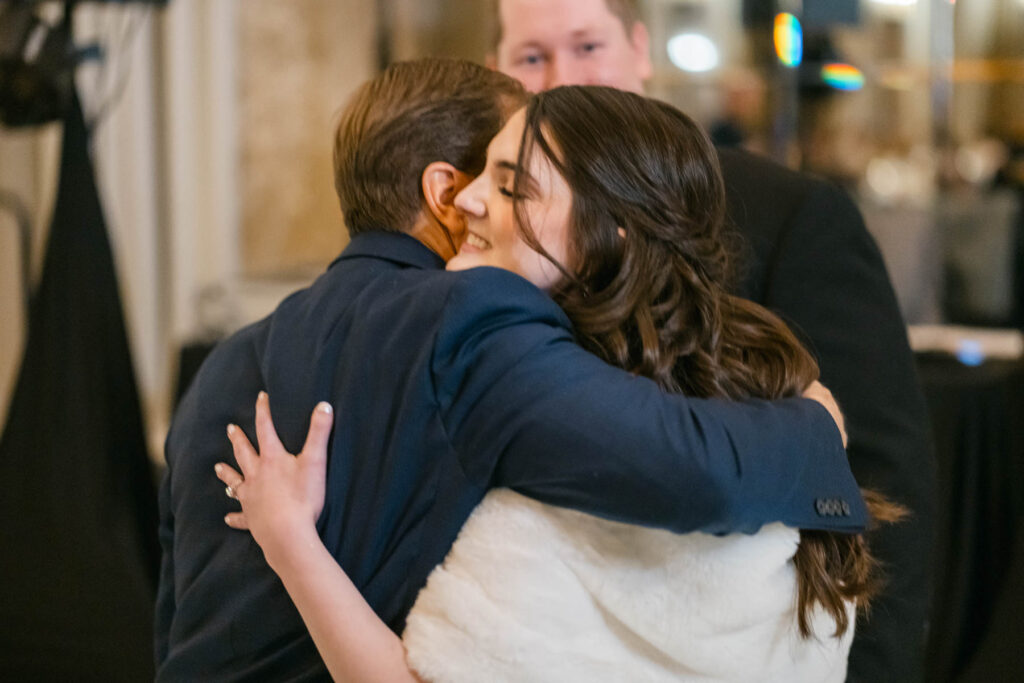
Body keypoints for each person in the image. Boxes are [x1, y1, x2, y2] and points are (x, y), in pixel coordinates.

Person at [155, 59, 860, 681]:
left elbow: (178, 614)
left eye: (512, 181)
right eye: (490, 175)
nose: (475, 202)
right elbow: (697, 470)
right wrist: (819, 422)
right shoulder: (473, 320)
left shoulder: (227, 362)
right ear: (443, 191)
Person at [485, 1, 936, 680]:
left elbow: (881, 476)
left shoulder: (789, 214)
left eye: (587, 45)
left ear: (640, 49)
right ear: (501, 73)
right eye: (531, 56)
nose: (560, 75)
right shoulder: (490, 233)